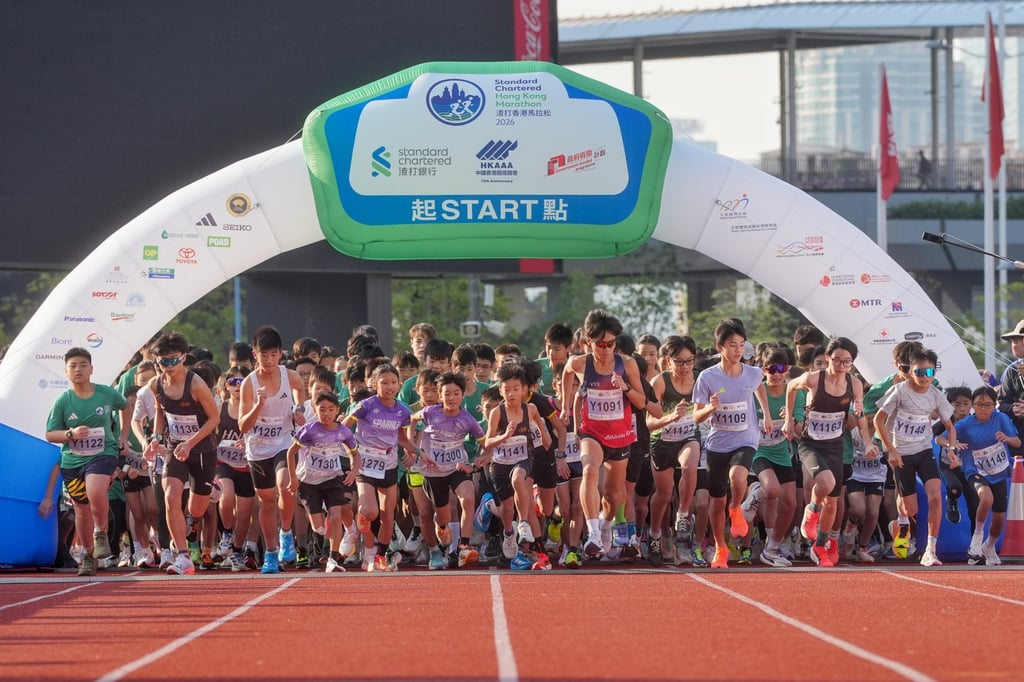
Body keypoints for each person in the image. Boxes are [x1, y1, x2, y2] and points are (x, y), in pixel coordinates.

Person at [560, 310, 646, 558]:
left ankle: (606, 525)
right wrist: (566, 404)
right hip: (592, 432)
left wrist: (626, 387)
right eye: (601, 344)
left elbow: (640, 403)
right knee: (588, 469)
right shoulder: (581, 363)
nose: (607, 348)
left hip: (620, 436)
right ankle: (594, 533)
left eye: (611, 343)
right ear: (588, 343)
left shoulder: (626, 364)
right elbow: (566, 371)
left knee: (613, 494)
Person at [784, 337, 876, 567]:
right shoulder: (813, 379)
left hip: (835, 445)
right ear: (828, 358)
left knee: (833, 503)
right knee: (825, 484)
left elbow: (860, 417)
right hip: (810, 443)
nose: (841, 365)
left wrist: (867, 443)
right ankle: (812, 510)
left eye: (847, 362)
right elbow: (790, 386)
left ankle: (820, 546)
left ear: (852, 363)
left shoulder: (854, 384)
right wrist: (787, 420)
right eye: (837, 360)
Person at [692, 319, 773, 569]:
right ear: (720, 347)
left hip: (745, 438)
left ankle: (736, 507)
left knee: (738, 478)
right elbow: (695, 416)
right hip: (718, 443)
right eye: (732, 345)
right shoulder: (707, 377)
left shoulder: (753, 372)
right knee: (717, 501)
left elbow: (758, 387)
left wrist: (766, 414)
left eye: (741, 345)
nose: (738, 350)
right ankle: (720, 547)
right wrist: (710, 408)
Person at [45, 347, 129, 576]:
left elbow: (125, 406)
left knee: (95, 489)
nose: (78, 369)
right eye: (72, 366)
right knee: (81, 510)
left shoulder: (106, 393)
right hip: (73, 461)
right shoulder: (62, 401)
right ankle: (88, 556)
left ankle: (100, 532)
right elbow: (51, 434)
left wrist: (123, 436)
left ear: (91, 369)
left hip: (103, 453)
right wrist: (70, 434)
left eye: (83, 365)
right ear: (66, 371)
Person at [143, 332, 221, 576]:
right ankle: (183, 556)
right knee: (169, 496)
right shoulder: (156, 384)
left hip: (202, 450)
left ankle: (193, 518)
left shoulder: (196, 384)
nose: (170, 367)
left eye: (174, 360)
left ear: (184, 358)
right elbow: (160, 412)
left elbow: (214, 419)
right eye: (164, 362)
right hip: (175, 448)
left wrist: (190, 442)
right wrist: (155, 439)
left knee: (196, 508)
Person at [873, 347, 960, 567]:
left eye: (929, 373)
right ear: (911, 372)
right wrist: (890, 449)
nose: (924, 378)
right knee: (911, 509)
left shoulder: (936, 395)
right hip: (901, 452)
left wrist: (952, 448)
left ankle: (931, 550)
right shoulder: (900, 391)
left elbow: (949, 426)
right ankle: (901, 521)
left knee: (935, 496)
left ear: (934, 373)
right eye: (919, 372)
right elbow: (877, 420)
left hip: (924, 450)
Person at [237, 325, 307, 574]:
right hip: (257, 449)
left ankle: (286, 532)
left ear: (280, 354)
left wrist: (299, 409)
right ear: (255, 354)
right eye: (263, 355)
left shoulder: (290, 377)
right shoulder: (249, 383)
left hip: (284, 443)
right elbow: (243, 425)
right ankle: (270, 553)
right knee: (266, 502)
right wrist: (258, 405)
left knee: (285, 483)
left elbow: (301, 392)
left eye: (273, 354)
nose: (268, 360)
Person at [343, 364, 418, 572]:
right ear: (373, 384)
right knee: (370, 511)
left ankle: (379, 556)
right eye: (384, 382)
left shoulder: (403, 410)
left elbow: (402, 439)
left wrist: (418, 453)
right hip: (365, 465)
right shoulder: (366, 405)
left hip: (389, 465)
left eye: (393, 382)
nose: (389, 386)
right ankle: (361, 520)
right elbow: (344, 427)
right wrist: (352, 453)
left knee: (387, 516)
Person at [411, 371, 486, 569]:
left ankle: (464, 546)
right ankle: (442, 533)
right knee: (442, 519)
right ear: (440, 394)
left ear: (463, 395)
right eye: (447, 394)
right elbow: (411, 419)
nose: (451, 398)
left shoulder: (468, 419)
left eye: (456, 393)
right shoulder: (430, 413)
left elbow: (486, 444)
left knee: (468, 498)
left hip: (457, 468)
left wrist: (474, 464)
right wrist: (414, 449)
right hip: (433, 472)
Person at [483, 363, 551, 567]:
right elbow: (487, 442)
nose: (511, 394)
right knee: (506, 507)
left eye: (515, 389)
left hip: (523, 459)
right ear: (500, 390)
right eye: (506, 389)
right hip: (500, 463)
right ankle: (509, 533)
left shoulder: (530, 409)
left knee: (519, 479)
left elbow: (540, 425)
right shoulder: (497, 413)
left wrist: (546, 439)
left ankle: (522, 524)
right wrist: (504, 436)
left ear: (524, 390)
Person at [286, 391, 360, 573]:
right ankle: (324, 519)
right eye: (322, 409)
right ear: (314, 410)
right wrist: (293, 478)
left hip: (332, 478)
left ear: (336, 411)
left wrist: (354, 471)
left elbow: (355, 454)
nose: (326, 413)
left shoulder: (343, 431)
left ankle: (333, 560)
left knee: (336, 517)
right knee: (318, 527)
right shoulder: (309, 430)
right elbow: (290, 453)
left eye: (330, 409)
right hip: (309, 482)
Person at [646, 335, 700, 567]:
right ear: (668, 361)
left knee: (689, 467)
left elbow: (711, 402)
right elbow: (648, 423)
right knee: (664, 495)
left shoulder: (699, 380)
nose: (685, 367)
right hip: (662, 441)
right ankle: (655, 534)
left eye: (689, 361)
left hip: (688, 436)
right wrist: (672, 417)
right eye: (679, 362)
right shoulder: (659, 383)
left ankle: (683, 516)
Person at [952, 386, 1020, 566]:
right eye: (979, 405)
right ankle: (977, 536)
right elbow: (940, 438)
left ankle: (989, 546)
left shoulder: (1001, 418)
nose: (983, 409)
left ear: (994, 405)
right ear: (973, 406)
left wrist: (1006, 438)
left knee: (998, 519)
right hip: (975, 470)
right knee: (986, 498)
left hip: (998, 471)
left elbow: (1017, 441)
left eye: (987, 405)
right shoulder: (965, 424)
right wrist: (953, 446)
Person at [748, 348, 800, 567]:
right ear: (763, 371)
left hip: (782, 452)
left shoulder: (794, 392)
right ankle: (752, 497)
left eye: (781, 369)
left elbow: (797, 430)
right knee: (771, 490)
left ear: (787, 370)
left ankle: (772, 549)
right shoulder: (755, 392)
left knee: (790, 504)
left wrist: (790, 421)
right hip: (759, 450)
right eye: (771, 369)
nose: (776, 374)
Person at [214, 366, 257, 571]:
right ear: (226, 386)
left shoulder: (254, 407)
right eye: (233, 382)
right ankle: (227, 532)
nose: (238, 386)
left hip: (247, 465)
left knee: (245, 514)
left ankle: (238, 552)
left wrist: (248, 441)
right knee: (226, 496)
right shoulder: (220, 409)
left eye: (242, 382)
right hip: (223, 463)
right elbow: (209, 433)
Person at [997, 319, 1024, 456]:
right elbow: (1002, 404)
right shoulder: (1012, 370)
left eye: (1018, 340)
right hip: (1019, 438)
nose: (1014, 344)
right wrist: (1013, 408)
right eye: (1014, 340)